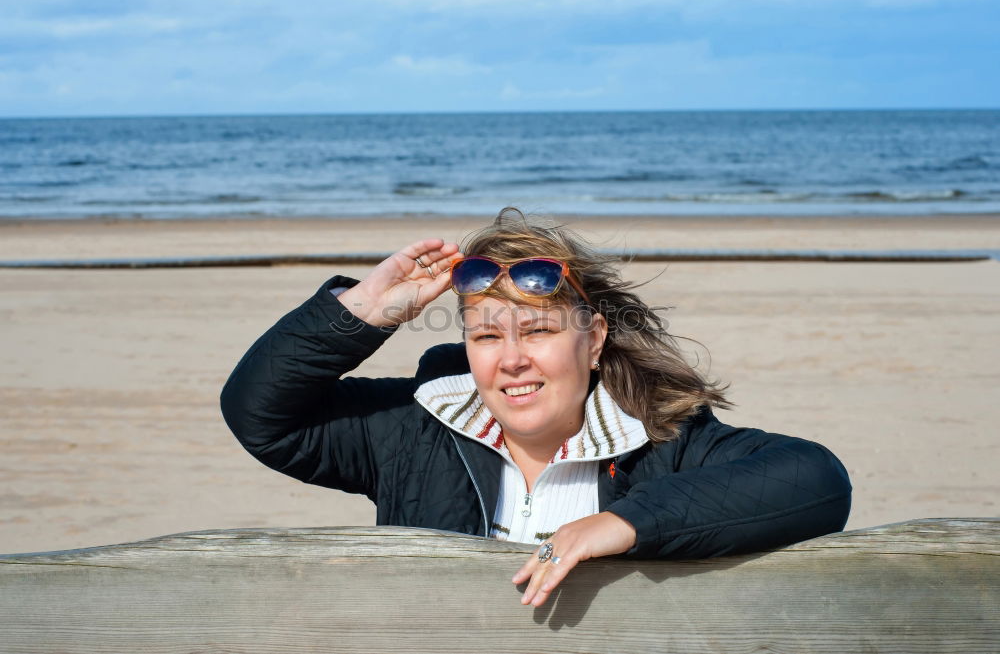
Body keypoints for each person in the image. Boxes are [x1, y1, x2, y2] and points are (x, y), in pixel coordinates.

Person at [220, 207, 851, 608]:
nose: (512, 359)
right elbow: (262, 416)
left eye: (540, 332)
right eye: (487, 336)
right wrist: (363, 311)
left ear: (595, 338)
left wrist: (624, 522)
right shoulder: (414, 430)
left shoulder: (663, 438)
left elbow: (817, 480)